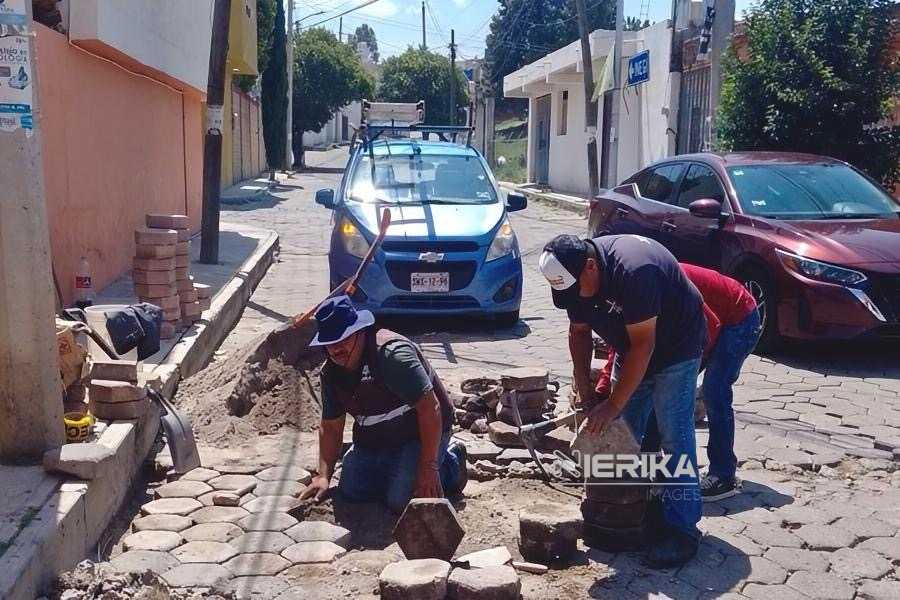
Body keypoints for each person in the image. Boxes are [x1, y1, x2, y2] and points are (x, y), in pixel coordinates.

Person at [539, 234, 706, 568]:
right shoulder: (576, 276)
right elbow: (579, 332)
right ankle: (628, 511)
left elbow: (645, 346)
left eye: (575, 291)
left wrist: (613, 404)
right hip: (631, 346)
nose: (573, 300)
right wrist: (584, 386)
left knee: (675, 437)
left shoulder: (634, 271)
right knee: (622, 435)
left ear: (590, 267)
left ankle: (682, 530)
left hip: (675, 349)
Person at [299, 295, 467, 512]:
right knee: (351, 490)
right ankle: (397, 467)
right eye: (330, 343)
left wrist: (428, 466)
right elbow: (331, 427)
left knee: (401, 500)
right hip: (378, 438)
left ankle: (451, 464)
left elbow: (430, 408)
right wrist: (323, 476)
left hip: (420, 432)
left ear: (359, 332)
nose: (337, 349)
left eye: (344, 339)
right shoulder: (331, 373)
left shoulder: (392, 355)